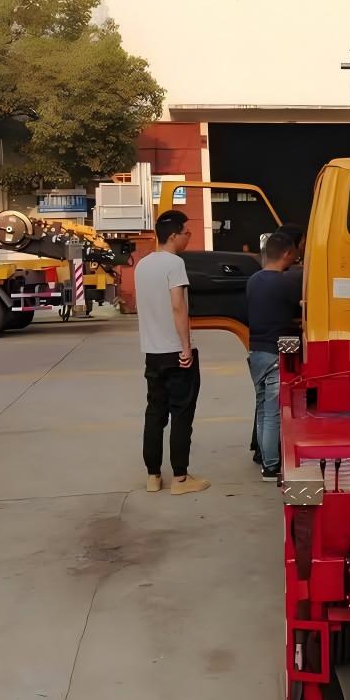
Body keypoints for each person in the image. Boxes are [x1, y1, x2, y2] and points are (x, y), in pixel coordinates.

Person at [135, 210, 209, 495]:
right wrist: (186, 347)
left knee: (155, 413)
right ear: (175, 234)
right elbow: (178, 307)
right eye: (187, 233)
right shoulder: (175, 264)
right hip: (175, 352)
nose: (188, 238)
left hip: (151, 352)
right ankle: (180, 478)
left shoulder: (142, 266)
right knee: (181, 414)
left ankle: (153, 476)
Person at [246, 232, 301, 480]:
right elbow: (299, 312)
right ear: (287, 253)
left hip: (255, 351)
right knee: (273, 412)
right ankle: (271, 466)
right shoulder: (286, 282)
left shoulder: (253, 280)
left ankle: (262, 457)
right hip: (275, 352)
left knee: (261, 407)